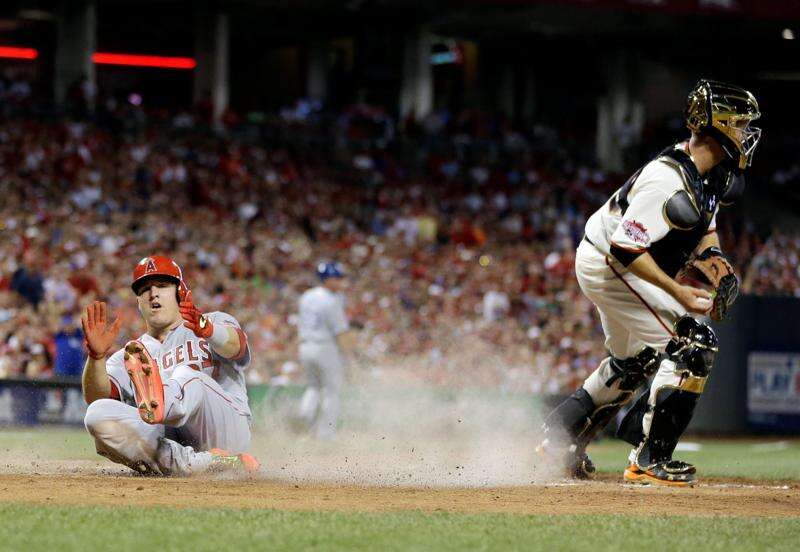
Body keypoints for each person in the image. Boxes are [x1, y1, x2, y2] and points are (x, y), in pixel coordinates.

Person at [536, 80, 761, 486]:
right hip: (610, 262)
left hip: (611, 260)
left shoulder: (707, 175)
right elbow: (625, 249)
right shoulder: (667, 180)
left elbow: (703, 226)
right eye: (741, 125)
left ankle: (559, 438)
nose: (747, 134)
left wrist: (718, 264)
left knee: (634, 362)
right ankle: (649, 459)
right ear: (720, 127)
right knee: (693, 343)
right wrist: (678, 293)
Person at [81, 255, 259, 475]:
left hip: (226, 428)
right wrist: (96, 357)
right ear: (138, 301)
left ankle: (162, 405)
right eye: (144, 289)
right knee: (96, 414)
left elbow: (237, 347)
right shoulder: (133, 353)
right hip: (183, 445)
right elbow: (95, 396)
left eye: (163, 286)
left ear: (179, 292)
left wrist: (208, 329)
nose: (153, 292)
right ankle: (199, 464)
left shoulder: (211, 321)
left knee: (187, 375)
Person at [296, 261, 356, 439]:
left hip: (305, 345)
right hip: (325, 347)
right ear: (327, 279)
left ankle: (304, 419)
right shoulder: (331, 300)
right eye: (336, 278)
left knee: (313, 387)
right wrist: (350, 357)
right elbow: (341, 332)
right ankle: (326, 433)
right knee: (331, 390)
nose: (340, 282)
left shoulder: (307, 296)